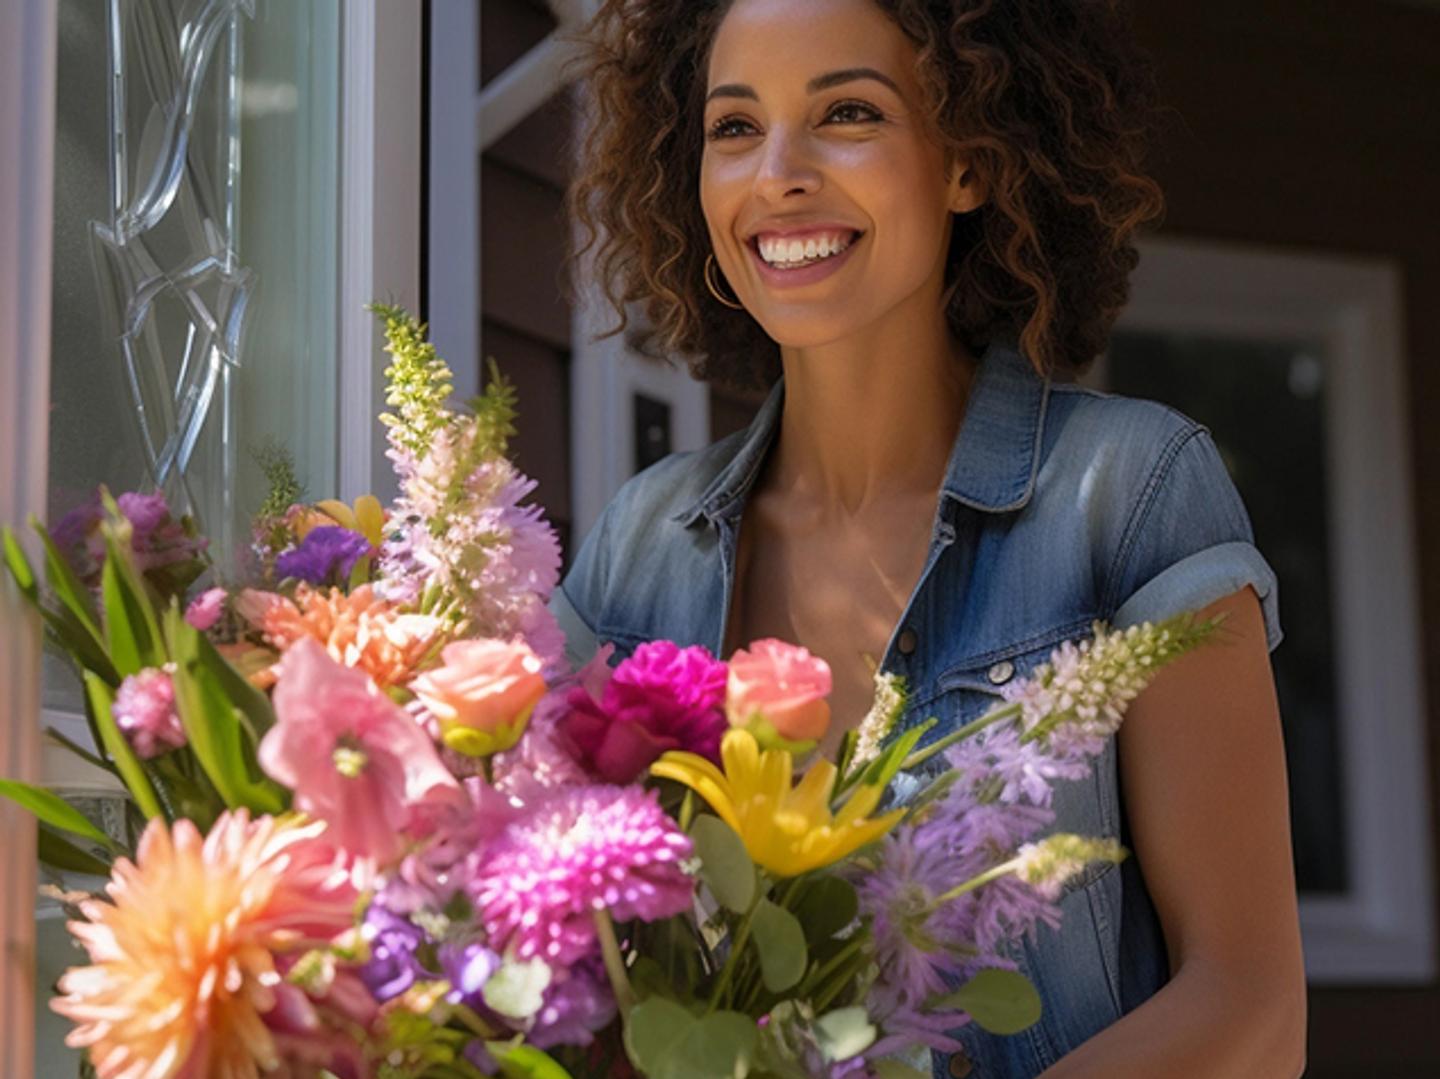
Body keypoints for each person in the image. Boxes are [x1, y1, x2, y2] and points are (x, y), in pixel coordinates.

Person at [552, 0, 1308, 1075]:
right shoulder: (636, 550)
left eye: (846, 112)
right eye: (733, 127)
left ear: (971, 161)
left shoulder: (1131, 492)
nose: (778, 174)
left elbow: (1251, 1007)